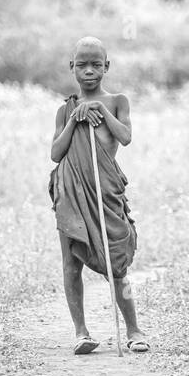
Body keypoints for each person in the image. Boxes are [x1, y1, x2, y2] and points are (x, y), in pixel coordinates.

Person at [48, 36, 150, 354]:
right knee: (70, 264)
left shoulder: (118, 100)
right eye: (82, 65)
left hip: (105, 194)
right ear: (72, 68)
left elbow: (126, 137)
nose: (89, 70)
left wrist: (100, 112)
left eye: (96, 64)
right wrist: (77, 115)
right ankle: (81, 332)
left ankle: (133, 330)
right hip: (72, 194)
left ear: (106, 66)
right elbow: (55, 153)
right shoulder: (65, 109)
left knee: (117, 265)